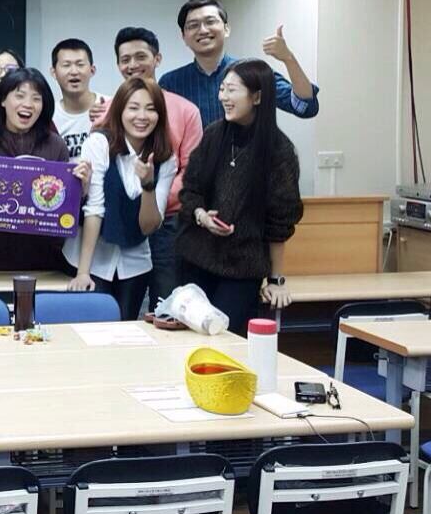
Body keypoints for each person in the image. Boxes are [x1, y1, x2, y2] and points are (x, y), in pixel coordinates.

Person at [176, 59, 303, 335]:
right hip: (196, 259)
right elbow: (190, 189)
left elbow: (280, 222)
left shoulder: (279, 151)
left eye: (232, 90)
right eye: (222, 89)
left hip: (243, 268)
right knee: (189, 338)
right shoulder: (213, 135)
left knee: (224, 338)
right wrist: (201, 215)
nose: (223, 97)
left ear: (257, 97)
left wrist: (276, 280)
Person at [104, 27, 204, 309]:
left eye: (141, 56)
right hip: (121, 220)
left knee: (165, 300)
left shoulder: (185, 110)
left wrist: (154, 195)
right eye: (125, 59)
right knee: (119, 303)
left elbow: (191, 171)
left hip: (168, 222)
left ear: (157, 58)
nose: (133, 65)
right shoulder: (109, 109)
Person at [0, 68, 90, 272]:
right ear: (3, 100)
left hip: (46, 262)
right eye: (19, 96)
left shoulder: (56, 145)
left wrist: (81, 189)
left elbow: (64, 212)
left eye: (36, 98)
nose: (28, 104)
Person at [67, 77, 177, 320]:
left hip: (136, 264)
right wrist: (83, 272)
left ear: (160, 115)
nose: (142, 116)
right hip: (92, 259)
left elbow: (149, 226)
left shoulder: (166, 158)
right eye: (133, 108)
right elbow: (95, 209)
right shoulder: (99, 143)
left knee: (126, 326)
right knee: (91, 326)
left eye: (150, 109)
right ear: (120, 111)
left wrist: (148, 186)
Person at [159, 0, 319, 127]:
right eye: (193, 25)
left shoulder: (252, 73)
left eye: (210, 22)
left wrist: (288, 58)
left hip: (249, 157)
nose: (203, 30)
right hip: (195, 158)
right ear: (184, 37)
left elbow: (305, 107)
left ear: (226, 29)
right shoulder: (170, 83)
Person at [50, 38, 107, 160]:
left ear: (92, 70)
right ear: (54, 72)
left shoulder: (109, 106)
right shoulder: (49, 115)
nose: (74, 71)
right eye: (66, 65)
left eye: (80, 65)